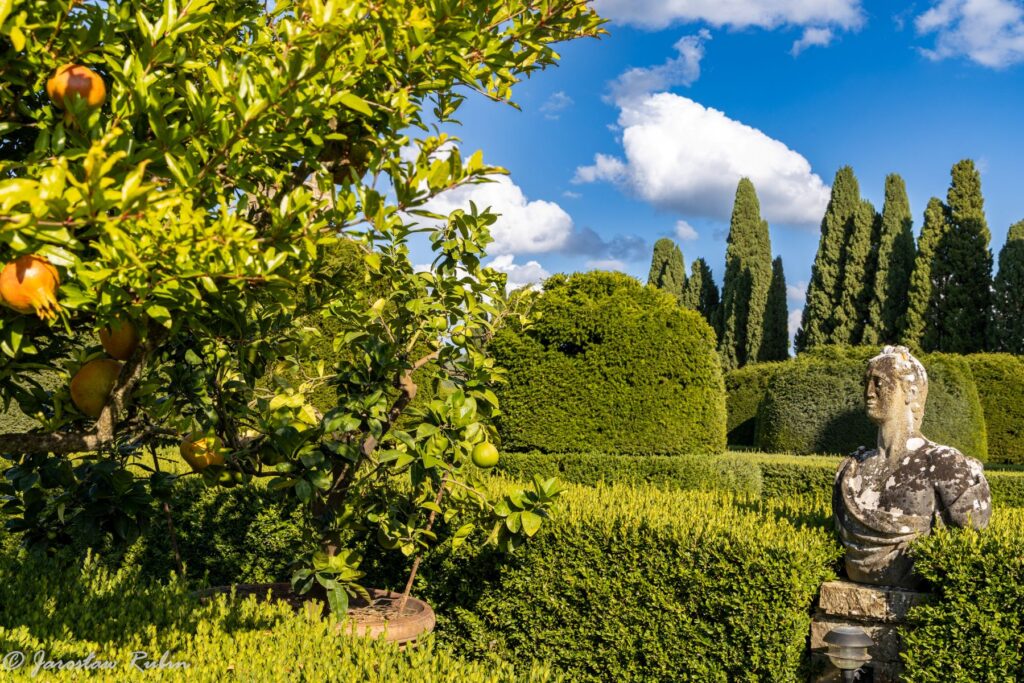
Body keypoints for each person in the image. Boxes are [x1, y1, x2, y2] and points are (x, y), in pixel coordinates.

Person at [833, 346, 991, 588]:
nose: (869, 392)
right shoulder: (852, 468)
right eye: (866, 382)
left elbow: (972, 540)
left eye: (879, 383)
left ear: (911, 392)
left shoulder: (943, 464)